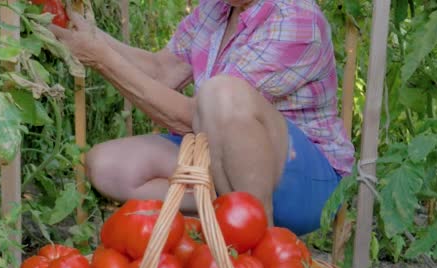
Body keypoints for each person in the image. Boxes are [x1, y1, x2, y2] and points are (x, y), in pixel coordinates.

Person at [50, 0, 355, 236]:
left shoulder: (296, 19)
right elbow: (162, 70)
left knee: (221, 93)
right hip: (222, 151)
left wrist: (101, 60)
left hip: (304, 177)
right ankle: (219, 223)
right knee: (108, 167)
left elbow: (193, 116)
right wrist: (91, 37)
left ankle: (256, 246)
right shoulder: (219, 8)